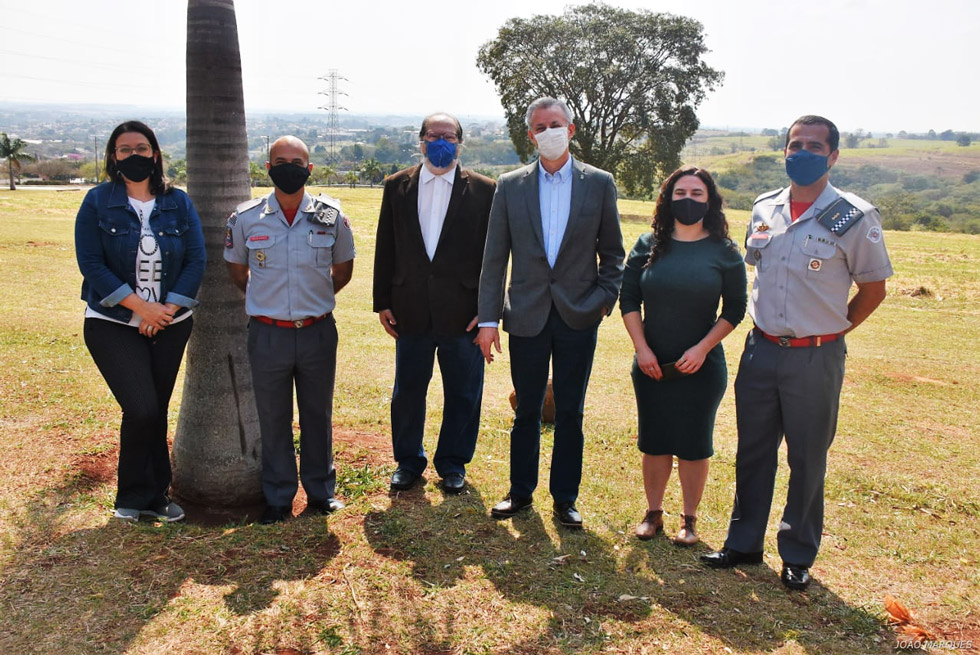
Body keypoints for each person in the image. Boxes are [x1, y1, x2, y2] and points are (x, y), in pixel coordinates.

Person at [700, 115, 893, 590]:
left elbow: (873, 288)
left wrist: (832, 330)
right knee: (753, 451)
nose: (801, 152)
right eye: (794, 144)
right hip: (761, 350)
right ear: (784, 150)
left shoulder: (854, 216)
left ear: (833, 156)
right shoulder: (765, 208)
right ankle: (743, 542)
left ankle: (798, 552)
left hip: (816, 357)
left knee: (808, 457)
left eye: (813, 145)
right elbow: (758, 270)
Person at [477, 97, 625, 529]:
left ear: (571, 129)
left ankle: (565, 498)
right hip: (525, 314)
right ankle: (520, 493)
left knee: (571, 411)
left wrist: (602, 301)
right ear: (530, 135)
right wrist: (488, 320)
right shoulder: (511, 185)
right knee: (526, 409)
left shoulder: (599, 183)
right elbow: (493, 258)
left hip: (579, 316)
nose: (548, 132)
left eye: (555, 124)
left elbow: (613, 255)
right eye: (539, 127)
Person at [75, 120, 206, 523]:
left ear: (155, 154)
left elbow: (196, 259)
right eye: (125, 149)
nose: (135, 156)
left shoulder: (177, 202)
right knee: (142, 407)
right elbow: (92, 263)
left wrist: (165, 310)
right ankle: (137, 494)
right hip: (111, 322)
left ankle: (148, 499)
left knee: (154, 409)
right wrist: (141, 309)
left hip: (171, 321)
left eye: (142, 148)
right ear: (113, 157)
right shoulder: (97, 202)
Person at [224, 135, 355, 525]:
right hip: (267, 334)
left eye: (297, 161)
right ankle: (279, 498)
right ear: (268, 167)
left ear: (309, 169)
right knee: (273, 416)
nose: (289, 166)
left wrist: (310, 299)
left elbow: (343, 269)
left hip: (317, 332)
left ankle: (320, 492)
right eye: (280, 160)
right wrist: (272, 302)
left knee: (318, 414)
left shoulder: (330, 216)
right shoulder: (245, 219)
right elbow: (237, 270)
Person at [620, 167, 746, 545]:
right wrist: (642, 350)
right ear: (667, 199)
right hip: (650, 364)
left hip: (702, 366)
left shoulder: (724, 252)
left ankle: (689, 520)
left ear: (710, 200)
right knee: (654, 439)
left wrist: (703, 348)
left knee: (694, 443)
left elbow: (735, 309)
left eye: (696, 193)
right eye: (679, 193)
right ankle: (653, 514)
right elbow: (628, 300)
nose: (687, 200)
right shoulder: (646, 245)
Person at [373, 113, 496, 494]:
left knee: (463, 390)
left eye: (449, 136)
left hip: (464, 312)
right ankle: (408, 461)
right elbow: (385, 244)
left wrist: (489, 309)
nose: (441, 141)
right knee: (408, 389)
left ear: (461, 142)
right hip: (410, 307)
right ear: (421, 140)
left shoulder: (485, 190)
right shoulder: (397, 186)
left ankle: (453, 463)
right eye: (433, 135)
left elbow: (494, 256)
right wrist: (382, 301)